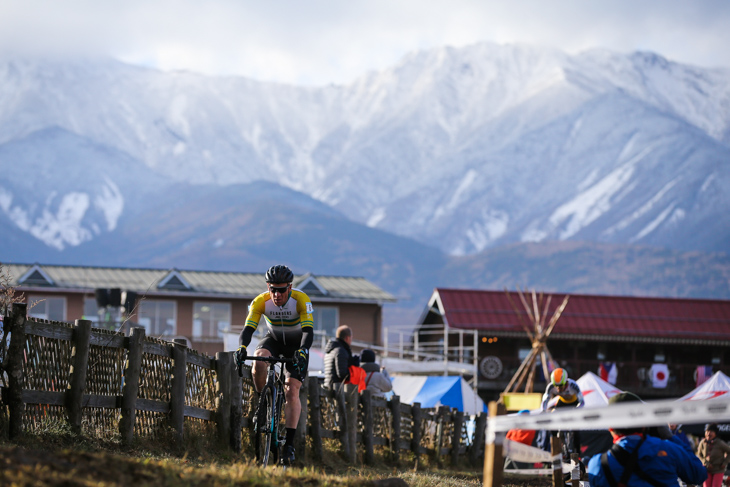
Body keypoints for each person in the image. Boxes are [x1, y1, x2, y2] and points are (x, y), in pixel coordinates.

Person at [235, 264, 313, 466]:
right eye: (272, 289)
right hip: (274, 339)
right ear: (268, 288)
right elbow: (248, 329)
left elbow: (307, 332)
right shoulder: (261, 301)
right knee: (259, 360)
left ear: (290, 287)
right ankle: (263, 404)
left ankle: (289, 443)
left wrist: (303, 351)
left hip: (297, 345)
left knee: (291, 391)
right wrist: (242, 347)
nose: (276, 294)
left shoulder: (301, 300)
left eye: (281, 289)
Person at [587, 392, 707, 487]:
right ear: (644, 424)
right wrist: (670, 436)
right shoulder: (669, 450)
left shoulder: (598, 465)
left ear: (610, 427)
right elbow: (699, 474)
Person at [541, 368, 585, 455]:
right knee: (551, 425)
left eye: (561, 386)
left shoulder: (573, 385)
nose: (558, 389)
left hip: (574, 403)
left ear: (566, 383)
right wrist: (544, 410)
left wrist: (577, 410)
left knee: (576, 430)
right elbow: (545, 399)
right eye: (556, 386)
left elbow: (582, 402)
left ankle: (578, 452)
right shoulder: (550, 387)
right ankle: (555, 445)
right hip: (562, 403)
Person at [324, 325, 356, 390]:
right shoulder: (341, 351)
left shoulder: (331, 350)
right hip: (337, 390)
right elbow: (342, 374)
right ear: (347, 338)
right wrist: (354, 372)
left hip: (329, 386)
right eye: (351, 338)